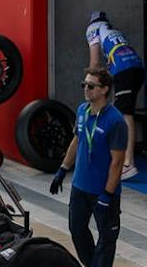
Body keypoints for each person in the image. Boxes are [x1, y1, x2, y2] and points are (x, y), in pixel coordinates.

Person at [50, 67, 128, 267]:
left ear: (104, 90)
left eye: (91, 86)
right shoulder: (82, 110)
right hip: (80, 187)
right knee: (76, 229)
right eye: (84, 84)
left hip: (102, 191)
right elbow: (77, 140)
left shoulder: (116, 121)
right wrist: (63, 169)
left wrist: (107, 195)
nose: (86, 89)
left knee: (106, 240)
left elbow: (117, 162)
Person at [85, 10, 143, 179]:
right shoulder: (113, 31)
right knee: (121, 111)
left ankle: (128, 163)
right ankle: (120, 157)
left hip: (124, 70)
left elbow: (95, 63)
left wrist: (89, 83)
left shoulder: (93, 29)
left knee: (125, 114)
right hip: (136, 69)